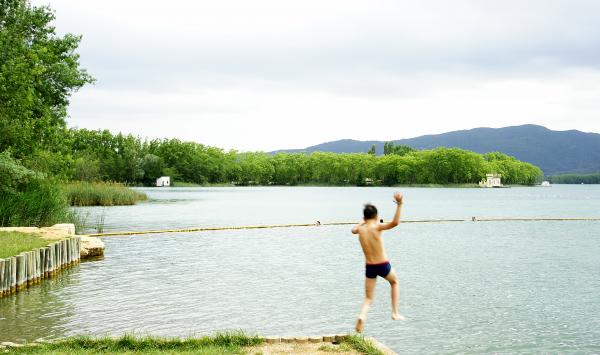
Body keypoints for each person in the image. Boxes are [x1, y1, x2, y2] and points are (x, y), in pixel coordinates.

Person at [351, 192, 405, 333]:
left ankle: (362, 315)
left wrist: (362, 221)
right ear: (375, 216)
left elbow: (353, 230)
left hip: (370, 267)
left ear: (364, 217)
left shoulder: (360, 229)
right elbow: (395, 223)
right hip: (382, 265)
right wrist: (399, 204)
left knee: (368, 298)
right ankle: (394, 313)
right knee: (394, 282)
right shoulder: (377, 227)